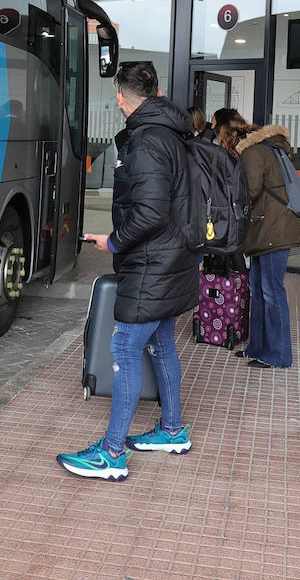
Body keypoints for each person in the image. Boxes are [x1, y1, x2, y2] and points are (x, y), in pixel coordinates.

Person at [60, 61, 198, 481]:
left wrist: (114, 241)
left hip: (152, 263)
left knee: (124, 349)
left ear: (121, 97)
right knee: (162, 344)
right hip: (172, 259)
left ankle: (112, 453)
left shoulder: (147, 140)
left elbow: (151, 213)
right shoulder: (172, 133)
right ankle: (172, 429)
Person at [229, 118, 300, 369]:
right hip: (269, 229)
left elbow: (250, 191)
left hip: (273, 230)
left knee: (271, 292)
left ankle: (278, 355)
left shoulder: (254, 152)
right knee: (259, 290)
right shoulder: (272, 149)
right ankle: (258, 348)